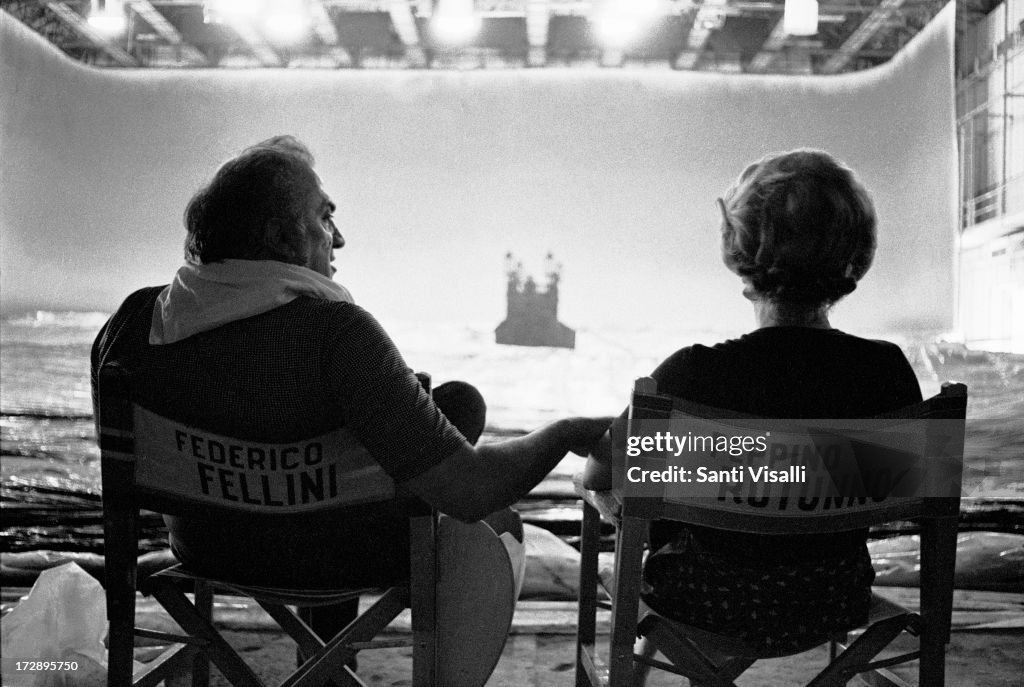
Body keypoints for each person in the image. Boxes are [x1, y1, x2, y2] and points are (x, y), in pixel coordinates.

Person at [91, 135, 609, 647]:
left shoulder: (134, 322)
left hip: (204, 547)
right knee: (471, 472)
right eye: (324, 217)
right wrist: (565, 432)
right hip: (332, 561)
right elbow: (470, 492)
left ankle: (323, 664)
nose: (338, 240)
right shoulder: (335, 335)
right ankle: (339, 664)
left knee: (434, 412)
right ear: (279, 237)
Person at [584, 149, 922, 656]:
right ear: (856, 252)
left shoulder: (690, 375)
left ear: (741, 253)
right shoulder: (887, 371)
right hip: (834, 601)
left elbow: (599, 476)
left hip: (705, 606)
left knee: (606, 493)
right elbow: (908, 487)